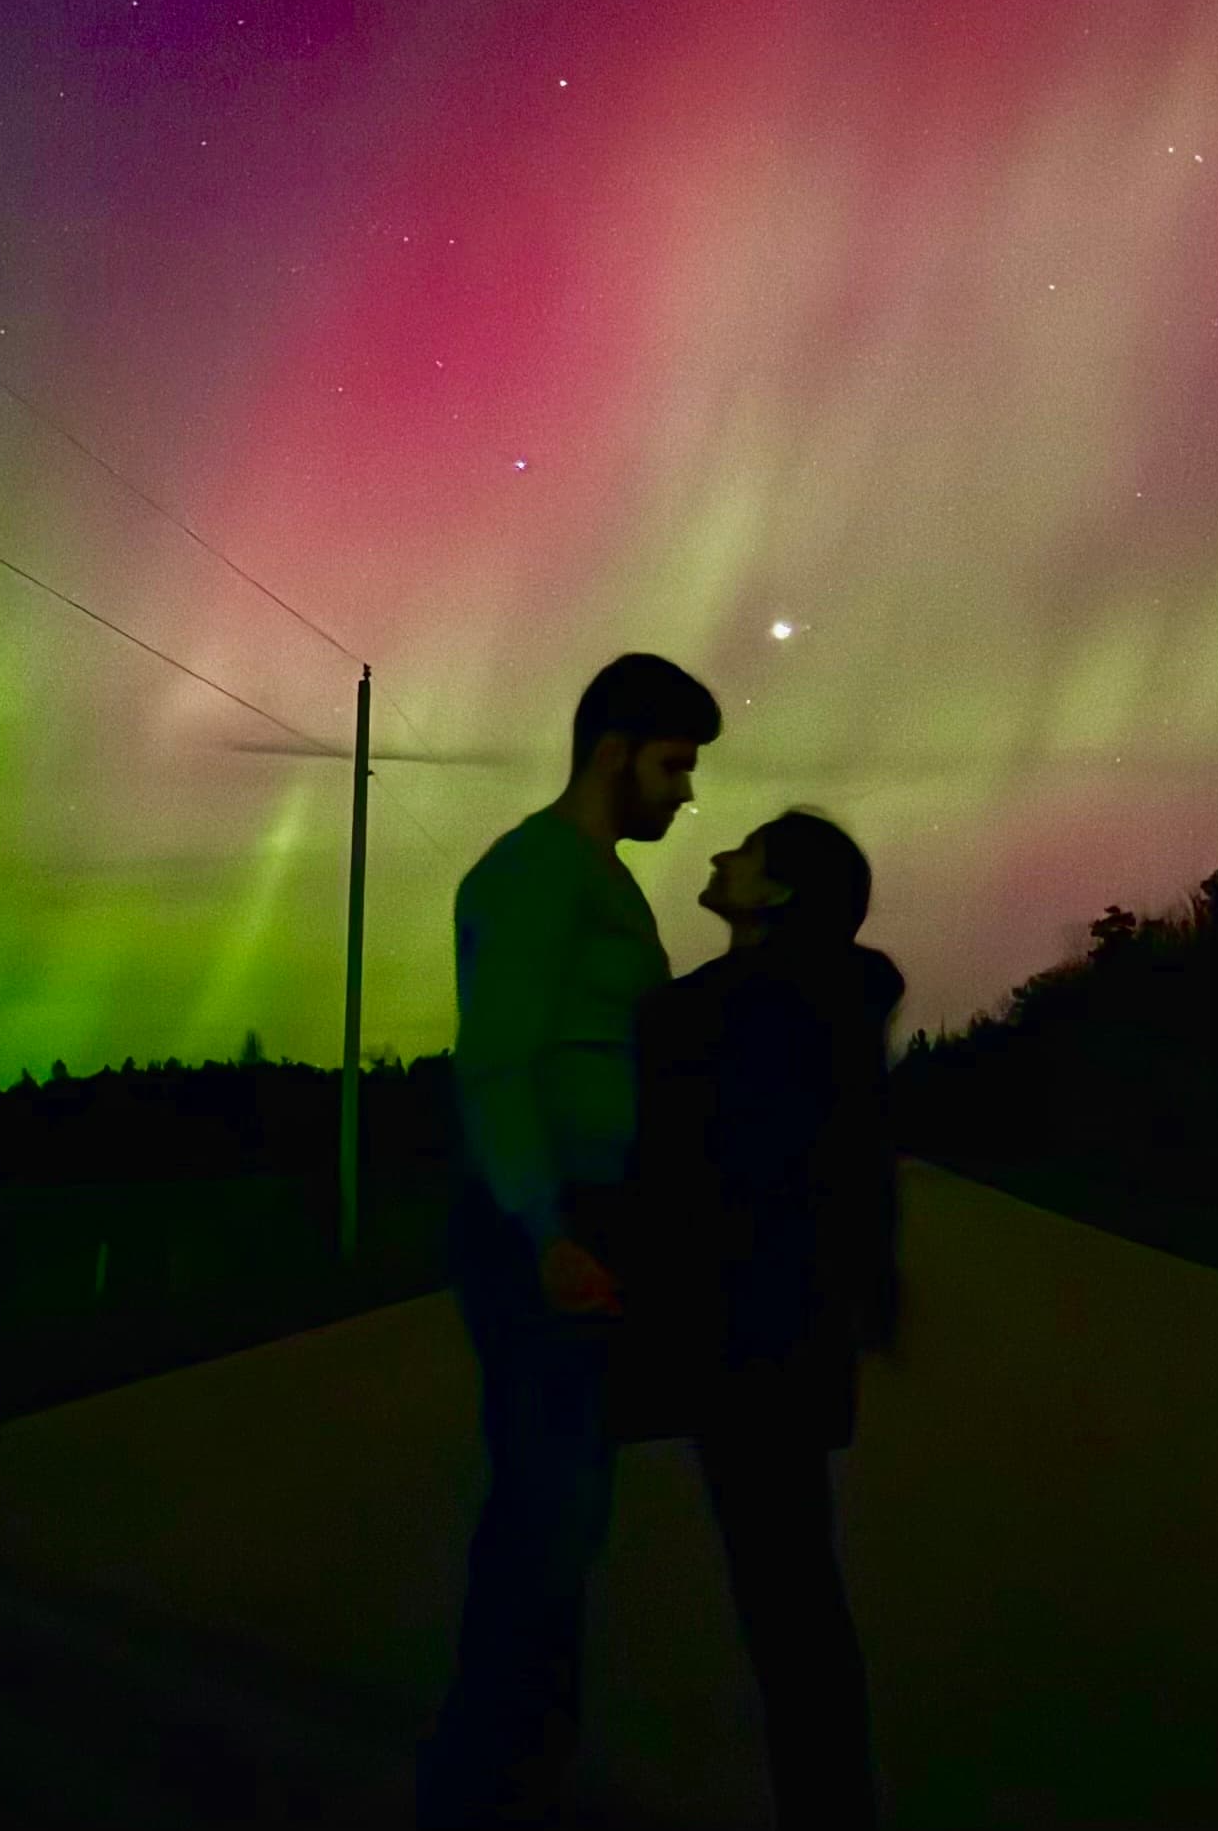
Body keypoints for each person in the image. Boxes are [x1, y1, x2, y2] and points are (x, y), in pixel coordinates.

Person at [415, 652, 721, 1831]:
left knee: (561, 1510)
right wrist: (543, 1229)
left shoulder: (603, 880)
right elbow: (496, 1061)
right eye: (673, 763)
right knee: (544, 1513)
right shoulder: (541, 869)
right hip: (537, 1229)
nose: (685, 792)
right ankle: (488, 1784)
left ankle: (519, 1767)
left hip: (586, 1221)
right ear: (612, 749)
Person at [601, 809, 903, 1831]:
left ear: (773, 893)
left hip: (747, 1339)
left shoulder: (729, 1011)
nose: (722, 854)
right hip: (793, 1332)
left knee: (784, 1597)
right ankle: (831, 1798)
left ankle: (827, 1805)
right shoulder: (822, 1003)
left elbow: (678, 1164)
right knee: (793, 1589)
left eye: (745, 850)